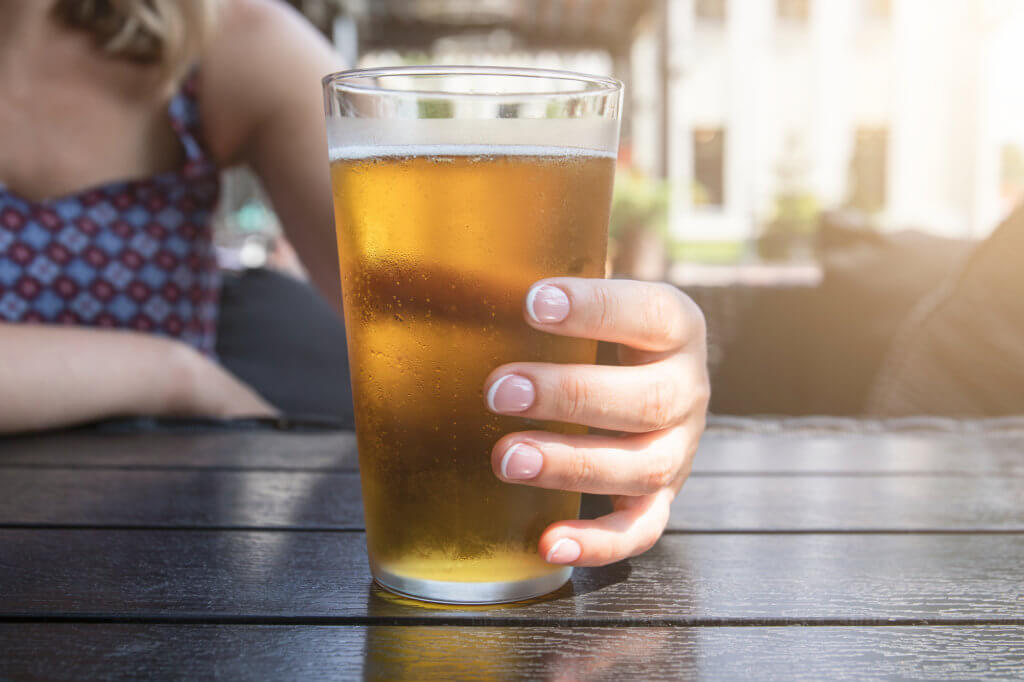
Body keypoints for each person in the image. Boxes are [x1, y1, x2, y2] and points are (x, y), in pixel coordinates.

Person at [0, 0, 709, 568]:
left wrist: (631, 364)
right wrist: (167, 373)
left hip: (172, 555)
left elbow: (429, 293)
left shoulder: (220, 38)